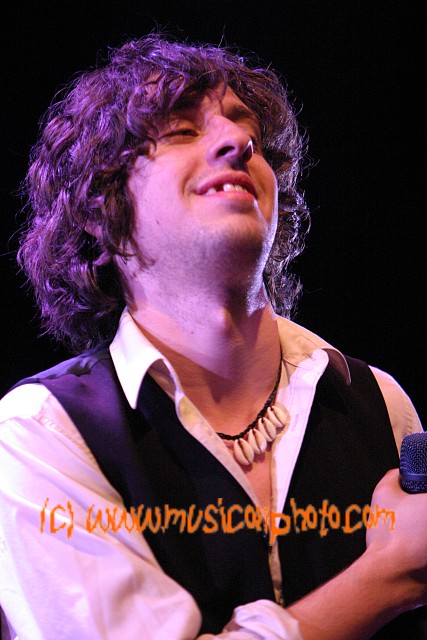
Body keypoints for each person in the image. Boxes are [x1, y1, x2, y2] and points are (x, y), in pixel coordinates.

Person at [0, 33, 426, 640]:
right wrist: (390, 576)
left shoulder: (377, 403)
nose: (238, 141)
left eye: (246, 130)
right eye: (181, 131)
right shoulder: (41, 434)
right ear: (99, 207)